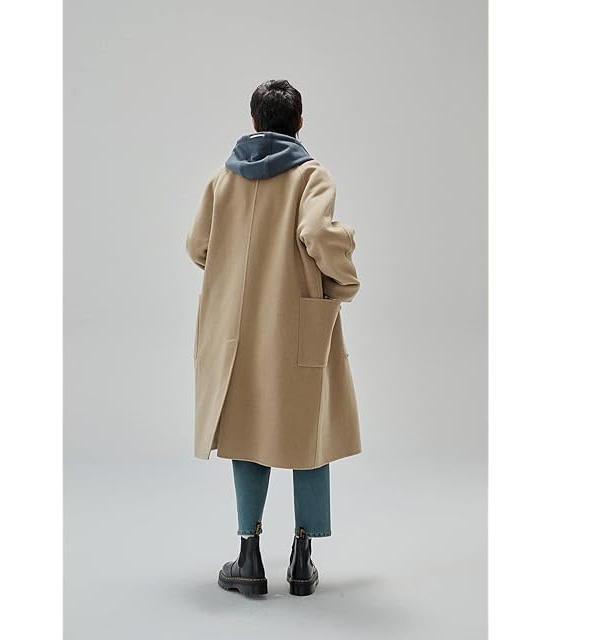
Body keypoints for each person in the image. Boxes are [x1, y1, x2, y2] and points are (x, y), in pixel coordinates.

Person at [186, 79, 361, 597]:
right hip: (297, 320)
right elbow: (318, 234)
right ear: (300, 122)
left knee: (245, 428)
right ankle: (302, 560)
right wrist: (344, 277)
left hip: (237, 326)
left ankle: (248, 556)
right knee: (310, 429)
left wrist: (233, 263)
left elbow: (197, 246)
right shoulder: (311, 176)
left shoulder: (223, 179)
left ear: (254, 121)